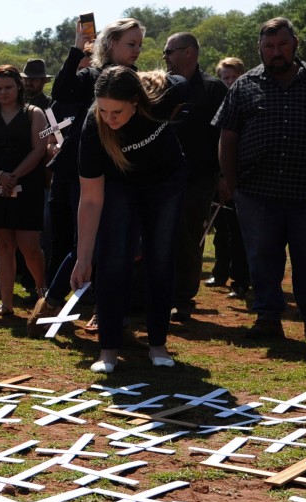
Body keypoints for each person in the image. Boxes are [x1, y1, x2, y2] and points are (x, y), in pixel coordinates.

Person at [214, 17, 306, 342]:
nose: (276, 52)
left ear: (295, 44)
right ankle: (268, 318)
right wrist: (231, 181)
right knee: (262, 257)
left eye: (282, 44)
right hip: (256, 191)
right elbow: (228, 136)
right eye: (269, 46)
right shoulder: (244, 85)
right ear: (260, 49)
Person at [30, 18, 145, 337]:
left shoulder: (137, 81)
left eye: (139, 45)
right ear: (110, 44)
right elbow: (62, 91)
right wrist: (77, 47)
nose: (136, 50)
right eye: (130, 44)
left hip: (119, 175)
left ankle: (107, 314)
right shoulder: (91, 75)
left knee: (115, 247)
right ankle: (53, 302)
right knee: (86, 244)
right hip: (79, 173)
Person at [71, 67, 188, 373]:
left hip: (166, 181)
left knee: (160, 258)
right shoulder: (92, 128)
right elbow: (91, 199)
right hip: (119, 184)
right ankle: (108, 351)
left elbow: (183, 82)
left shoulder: (162, 99)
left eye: (117, 111)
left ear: (136, 101)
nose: (110, 118)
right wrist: (83, 259)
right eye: (103, 109)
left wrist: (153, 77)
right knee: (112, 260)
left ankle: (158, 345)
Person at [0, 65, 48, 321]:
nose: (3, 92)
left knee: (29, 246)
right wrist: (0, 176)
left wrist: (14, 175)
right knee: (3, 245)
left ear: (18, 86)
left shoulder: (33, 114)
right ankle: (6, 303)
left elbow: (40, 148)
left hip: (28, 186)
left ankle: (43, 296)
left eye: (8, 87)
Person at [165, 32, 228, 322]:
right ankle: (158, 293)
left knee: (188, 234)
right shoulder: (161, 85)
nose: (165, 56)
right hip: (164, 176)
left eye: (170, 51)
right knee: (163, 233)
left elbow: (225, 135)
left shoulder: (214, 89)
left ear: (189, 52)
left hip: (200, 176)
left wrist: (225, 176)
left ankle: (183, 298)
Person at [206, 57, 251, 301]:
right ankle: (220, 272)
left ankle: (241, 280)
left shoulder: (247, 99)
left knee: (238, 231)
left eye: (234, 77)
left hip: (242, 175)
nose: (230, 82)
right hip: (220, 174)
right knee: (221, 228)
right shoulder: (216, 101)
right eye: (225, 78)